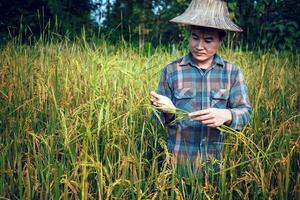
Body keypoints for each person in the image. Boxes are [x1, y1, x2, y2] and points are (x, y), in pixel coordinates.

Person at [150, 0, 252, 175]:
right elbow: (156, 119)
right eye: (195, 37)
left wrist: (226, 115)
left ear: (220, 40)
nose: (199, 46)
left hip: (215, 167)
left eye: (208, 40)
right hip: (177, 166)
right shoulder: (172, 71)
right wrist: (167, 111)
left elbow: (246, 112)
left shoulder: (231, 72)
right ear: (189, 35)